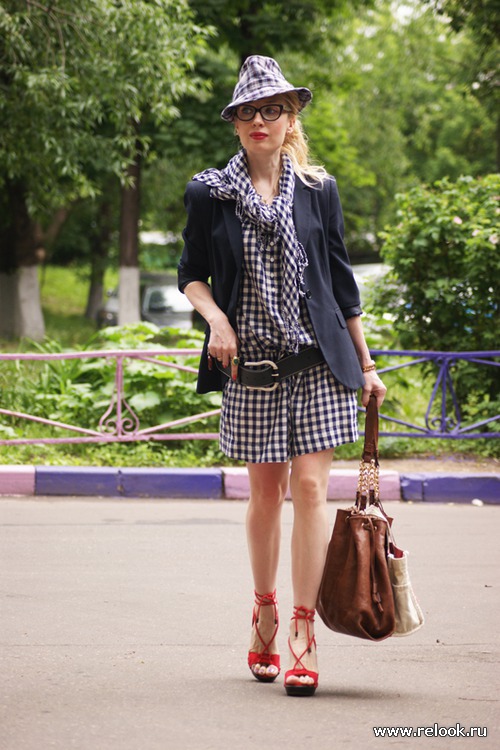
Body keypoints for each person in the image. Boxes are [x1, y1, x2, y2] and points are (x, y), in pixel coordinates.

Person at [178, 55, 387, 697]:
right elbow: (189, 273)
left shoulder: (320, 190)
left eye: (272, 109)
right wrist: (216, 318)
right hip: (253, 370)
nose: (260, 120)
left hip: (318, 364)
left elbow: (342, 286)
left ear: (291, 118)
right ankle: (264, 609)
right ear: (235, 123)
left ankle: (302, 628)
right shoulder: (210, 193)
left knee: (312, 490)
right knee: (266, 496)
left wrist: (367, 365)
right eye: (248, 111)